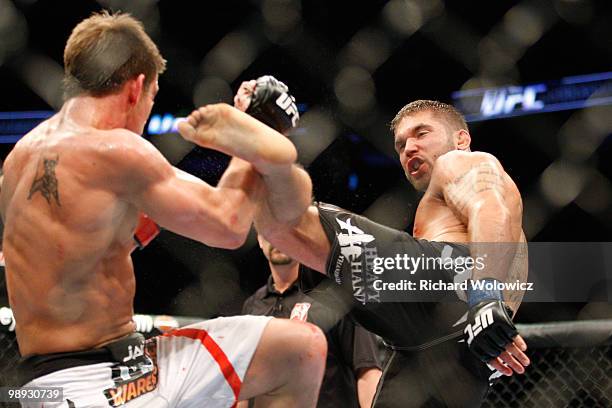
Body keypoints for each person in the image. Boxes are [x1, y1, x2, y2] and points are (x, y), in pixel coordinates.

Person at [0, 11, 327, 407]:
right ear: (137, 89)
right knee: (298, 349)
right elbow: (228, 224)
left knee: (296, 348)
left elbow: (86, 249)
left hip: (85, 371)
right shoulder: (115, 149)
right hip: (89, 384)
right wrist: (254, 130)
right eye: (152, 100)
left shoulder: (19, 159)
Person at [179, 97, 530, 407]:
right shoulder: (441, 205)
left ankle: (268, 133)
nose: (408, 148)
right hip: (458, 347)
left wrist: (485, 296)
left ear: (460, 138)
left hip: (453, 290)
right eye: (400, 143)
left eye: (421, 133)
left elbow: (493, 205)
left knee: (284, 226)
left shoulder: (461, 163)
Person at [239, 235, 383, 408]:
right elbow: (244, 385)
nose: (275, 239)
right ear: (260, 241)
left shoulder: (336, 296)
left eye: (280, 231)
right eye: (267, 233)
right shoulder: (252, 306)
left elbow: (367, 369)